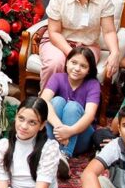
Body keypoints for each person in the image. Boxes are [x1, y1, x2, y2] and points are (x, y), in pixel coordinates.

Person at [39, 0, 119, 90]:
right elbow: (54, 32)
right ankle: (45, 102)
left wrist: (115, 52)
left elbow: (109, 31)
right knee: (55, 63)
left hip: (88, 45)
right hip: (58, 42)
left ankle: (75, 102)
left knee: (81, 66)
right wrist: (72, 54)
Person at [40, 47, 100, 179]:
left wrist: (70, 131)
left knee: (72, 107)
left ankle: (64, 155)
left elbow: (90, 116)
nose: (77, 68)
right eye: (74, 63)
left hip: (80, 137)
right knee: (56, 101)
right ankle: (53, 150)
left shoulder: (93, 84)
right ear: (66, 62)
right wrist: (59, 127)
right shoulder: (57, 78)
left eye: (83, 66)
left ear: (89, 70)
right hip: (57, 134)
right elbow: (43, 101)